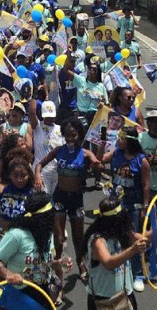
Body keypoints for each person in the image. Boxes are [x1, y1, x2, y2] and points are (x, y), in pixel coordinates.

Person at [35, 119, 101, 280]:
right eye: (67, 135)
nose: (70, 139)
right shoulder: (58, 150)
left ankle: (80, 263)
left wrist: (97, 159)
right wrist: (37, 175)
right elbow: (39, 165)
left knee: (78, 237)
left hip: (76, 199)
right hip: (59, 197)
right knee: (58, 238)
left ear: (79, 135)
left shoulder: (85, 153)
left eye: (73, 135)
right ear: (63, 135)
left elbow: (98, 163)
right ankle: (58, 268)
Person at [101, 126, 150, 291]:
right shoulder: (116, 153)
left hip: (133, 205)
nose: (118, 140)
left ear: (129, 140)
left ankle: (138, 273)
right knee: (114, 237)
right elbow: (101, 158)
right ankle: (119, 267)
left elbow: (146, 185)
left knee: (133, 237)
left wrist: (145, 206)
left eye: (121, 138)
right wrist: (101, 140)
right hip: (116, 205)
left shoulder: (142, 161)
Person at [30, 100, 63, 195]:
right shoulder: (37, 126)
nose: (49, 118)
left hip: (56, 170)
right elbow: (32, 112)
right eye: (47, 115)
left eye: (51, 115)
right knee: (43, 199)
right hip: (41, 171)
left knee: (54, 200)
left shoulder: (60, 129)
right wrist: (33, 97)